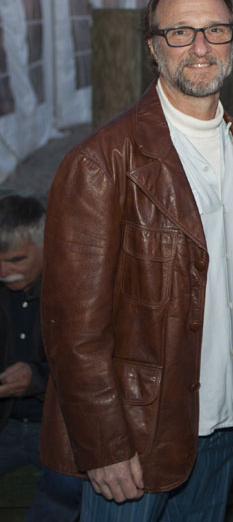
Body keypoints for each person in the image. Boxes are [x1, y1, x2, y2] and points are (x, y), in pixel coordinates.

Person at [40, 0, 233, 521]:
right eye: (180, 32)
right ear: (153, 47)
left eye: (216, 30)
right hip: (137, 437)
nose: (200, 46)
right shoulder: (102, 162)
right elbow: (72, 327)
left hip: (223, 423)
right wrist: (103, 443)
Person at [0, 194, 81, 521]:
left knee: (65, 491)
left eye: (16, 260)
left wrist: (36, 378)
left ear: (46, 245)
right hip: (5, 424)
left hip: (60, 429)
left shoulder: (77, 287)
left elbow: (91, 368)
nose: (3, 271)